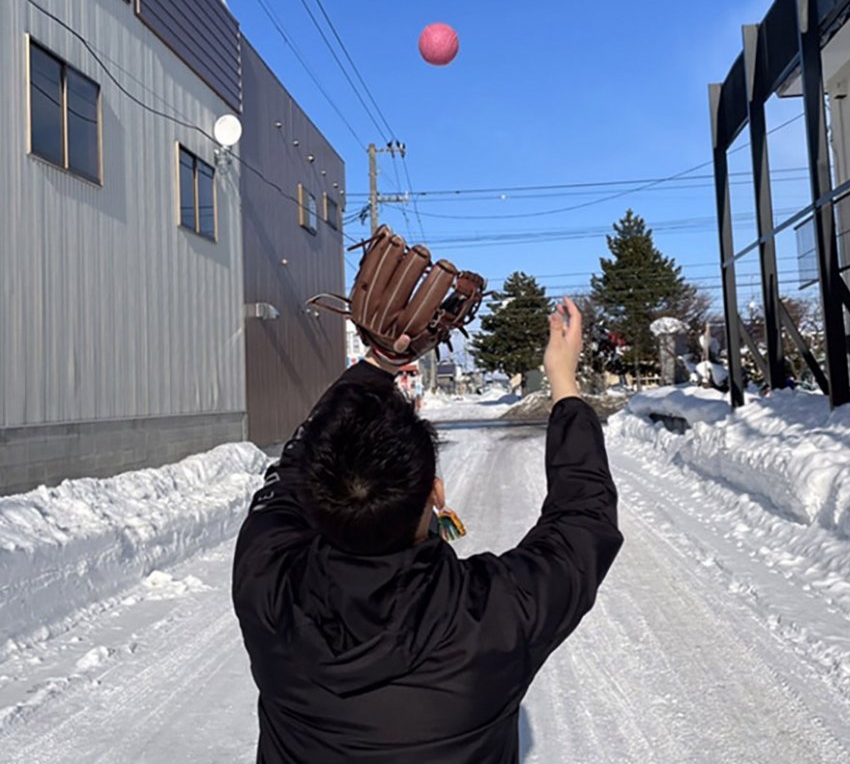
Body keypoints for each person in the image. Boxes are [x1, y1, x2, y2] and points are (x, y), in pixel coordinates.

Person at [233, 296, 624, 763]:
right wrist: (563, 380)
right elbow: (584, 515)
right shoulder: (496, 615)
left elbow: (297, 462)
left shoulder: (268, 587)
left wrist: (377, 364)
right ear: (436, 494)